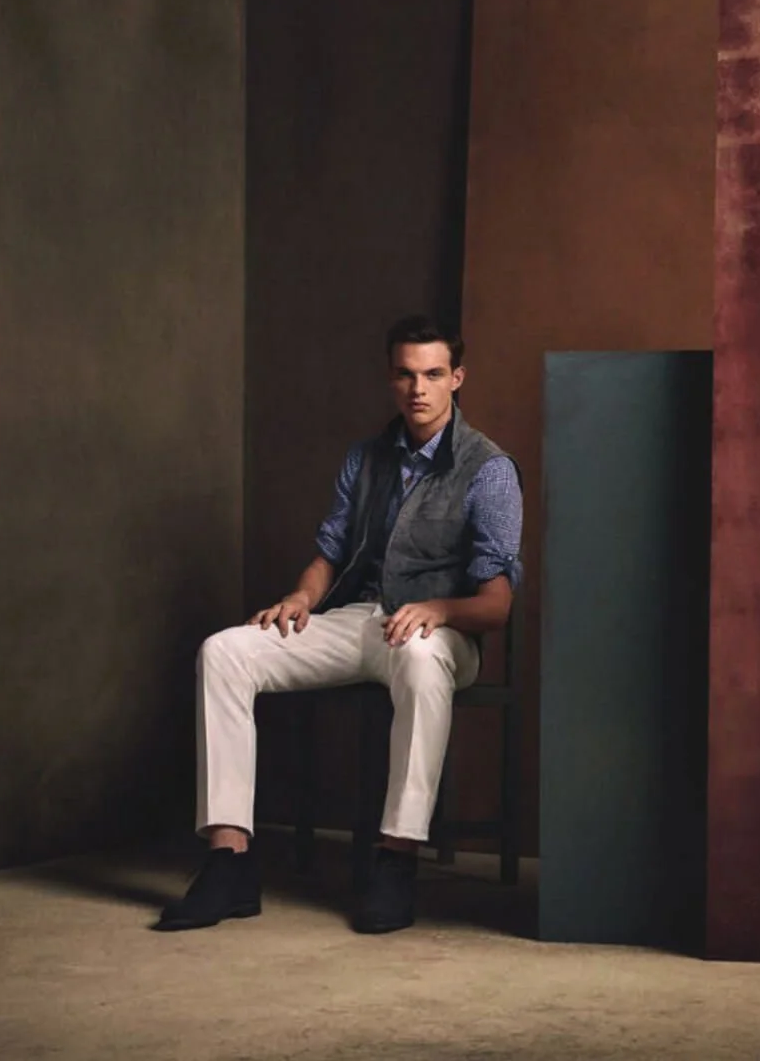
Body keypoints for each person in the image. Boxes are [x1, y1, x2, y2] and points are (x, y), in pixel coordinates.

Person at [155, 315, 523, 935]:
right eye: (406, 375)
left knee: (419, 656)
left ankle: (395, 859)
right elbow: (330, 551)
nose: (419, 389)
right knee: (223, 651)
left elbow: (498, 605)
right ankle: (229, 861)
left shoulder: (488, 470)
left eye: (433, 374)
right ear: (391, 379)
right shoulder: (367, 458)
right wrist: (302, 596)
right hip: (362, 620)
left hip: (444, 636)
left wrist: (439, 610)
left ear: (456, 378)